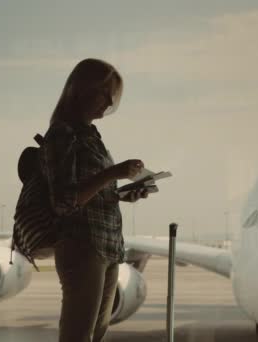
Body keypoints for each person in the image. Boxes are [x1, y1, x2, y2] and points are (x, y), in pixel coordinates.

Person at [40, 58, 148, 342]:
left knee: (95, 334)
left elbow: (92, 193)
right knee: (78, 335)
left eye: (113, 95)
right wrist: (115, 172)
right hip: (82, 245)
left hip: (106, 245)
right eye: (105, 93)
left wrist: (123, 194)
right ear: (82, 89)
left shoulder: (91, 136)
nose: (110, 102)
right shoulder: (62, 133)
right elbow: (65, 201)